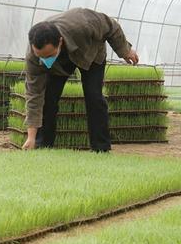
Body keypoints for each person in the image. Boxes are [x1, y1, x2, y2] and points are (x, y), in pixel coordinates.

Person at [22, 8, 139, 152]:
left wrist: (125, 50)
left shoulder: (83, 23)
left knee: (93, 96)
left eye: (48, 55)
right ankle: (43, 146)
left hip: (90, 53)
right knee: (47, 99)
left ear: (59, 42)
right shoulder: (34, 57)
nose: (45, 60)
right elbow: (34, 95)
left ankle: (100, 148)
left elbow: (111, 26)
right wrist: (31, 137)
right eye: (41, 56)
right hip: (58, 67)